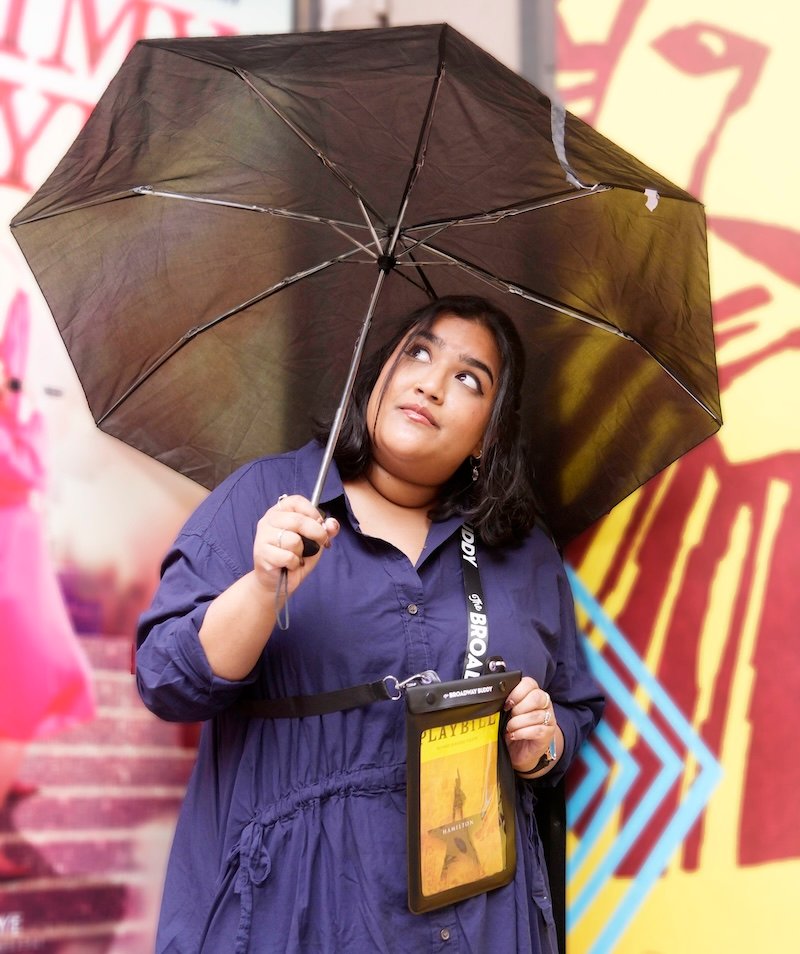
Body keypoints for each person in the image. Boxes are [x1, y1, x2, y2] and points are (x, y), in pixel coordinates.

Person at [136, 294, 604, 953]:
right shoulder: (267, 499)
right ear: (376, 372)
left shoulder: (523, 553)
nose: (431, 384)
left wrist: (541, 745)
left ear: (489, 433)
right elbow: (167, 680)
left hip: (475, 916)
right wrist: (263, 587)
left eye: (470, 378)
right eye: (417, 352)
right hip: (292, 909)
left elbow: (573, 713)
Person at [0, 292, 96, 880]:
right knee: (22, 691)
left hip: (22, 568)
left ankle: (8, 791)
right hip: (10, 577)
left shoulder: (21, 420)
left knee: (32, 686)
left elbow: (32, 469)